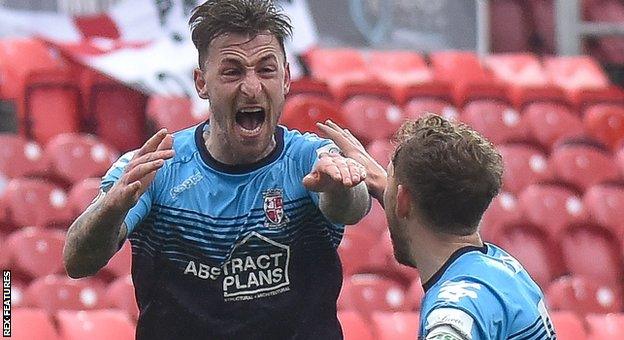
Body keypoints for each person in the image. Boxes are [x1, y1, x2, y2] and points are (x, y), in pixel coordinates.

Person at [62, 1, 371, 339]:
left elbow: (352, 207)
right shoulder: (156, 167)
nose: (251, 87)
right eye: (232, 71)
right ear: (201, 83)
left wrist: (340, 185)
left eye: (266, 70)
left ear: (285, 79)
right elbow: (78, 261)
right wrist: (112, 208)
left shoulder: (310, 158)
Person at [318, 116, 556, 340]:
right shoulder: (501, 266)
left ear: (403, 200)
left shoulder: (453, 312)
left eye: (391, 183)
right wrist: (389, 188)